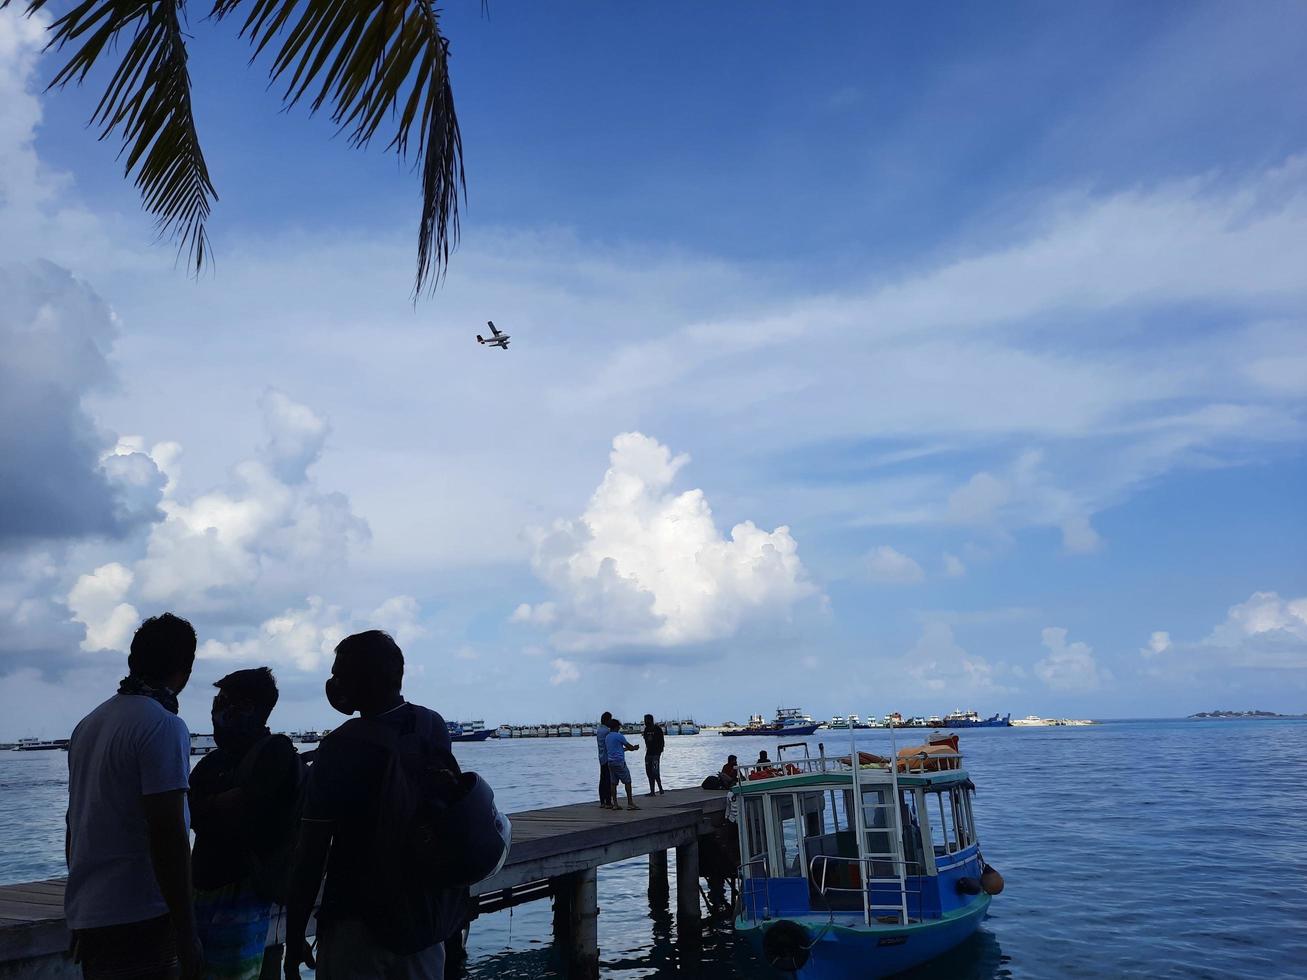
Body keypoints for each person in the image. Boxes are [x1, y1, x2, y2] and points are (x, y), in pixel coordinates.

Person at [284, 630, 463, 980]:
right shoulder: (432, 725)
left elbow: (311, 853)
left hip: (355, 923)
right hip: (423, 921)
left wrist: (294, 940)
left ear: (357, 681)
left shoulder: (338, 747)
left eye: (339, 674)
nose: (333, 683)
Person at [65, 613, 203, 980]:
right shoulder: (163, 726)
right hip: (141, 914)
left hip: (93, 916)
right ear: (185, 669)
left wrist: (80, 909)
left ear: (132, 662)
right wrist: (187, 932)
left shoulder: (89, 725)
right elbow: (169, 833)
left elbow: (74, 824)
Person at [190, 668, 301, 980]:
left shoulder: (275, 751)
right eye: (219, 701)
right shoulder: (214, 761)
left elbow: (240, 808)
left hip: (247, 894)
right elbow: (190, 812)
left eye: (227, 702)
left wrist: (204, 806)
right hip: (203, 889)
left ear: (251, 709)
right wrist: (213, 806)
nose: (218, 710)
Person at [605, 719, 641, 811]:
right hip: (619, 762)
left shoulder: (607, 737)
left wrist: (627, 749)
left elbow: (617, 749)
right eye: (619, 726)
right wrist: (634, 748)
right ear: (616, 727)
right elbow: (630, 747)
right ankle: (630, 803)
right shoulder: (619, 736)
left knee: (613, 783)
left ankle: (615, 804)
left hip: (610, 762)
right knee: (627, 781)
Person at [641, 714, 666, 796]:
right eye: (645, 720)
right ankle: (652, 791)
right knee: (649, 772)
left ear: (651, 720)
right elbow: (646, 741)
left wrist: (659, 751)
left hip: (656, 754)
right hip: (648, 753)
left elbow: (662, 742)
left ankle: (660, 788)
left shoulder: (657, 729)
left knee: (655, 772)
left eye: (646, 720)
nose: (645, 722)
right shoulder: (646, 729)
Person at [596, 711, 615, 810]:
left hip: (601, 757)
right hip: (608, 758)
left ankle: (602, 801)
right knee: (608, 780)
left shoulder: (599, 730)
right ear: (607, 720)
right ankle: (608, 801)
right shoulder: (607, 732)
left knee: (602, 779)